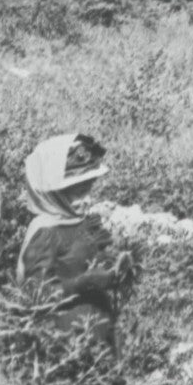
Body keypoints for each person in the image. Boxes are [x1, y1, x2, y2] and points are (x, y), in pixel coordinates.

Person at [17, 132, 134, 356]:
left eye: (88, 186)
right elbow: (36, 295)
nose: (86, 194)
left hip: (95, 333)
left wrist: (114, 272)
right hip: (64, 342)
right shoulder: (47, 231)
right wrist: (85, 281)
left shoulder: (76, 222)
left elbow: (84, 262)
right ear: (55, 192)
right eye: (78, 190)